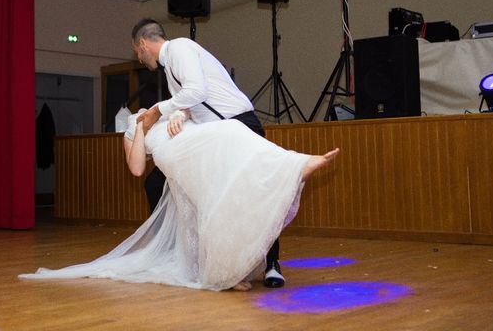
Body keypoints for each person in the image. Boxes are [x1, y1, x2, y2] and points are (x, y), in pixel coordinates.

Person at [19, 109, 339, 291]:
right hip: (172, 155)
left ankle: (291, 168)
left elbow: (189, 110)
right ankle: (295, 165)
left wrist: (180, 113)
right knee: (230, 133)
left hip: (195, 146)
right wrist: (141, 129)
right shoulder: (132, 128)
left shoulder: (167, 108)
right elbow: (136, 168)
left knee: (229, 167)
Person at [131, 18, 286, 287]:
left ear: (143, 44)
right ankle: (187, 256)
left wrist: (159, 110)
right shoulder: (170, 69)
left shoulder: (180, 48)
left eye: (137, 52)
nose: (139, 58)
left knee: (254, 194)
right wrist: (180, 114)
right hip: (215, 135)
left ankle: (272, 264)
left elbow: (196, 89)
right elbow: (194, 100)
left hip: (239, 124)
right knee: (159, 184)